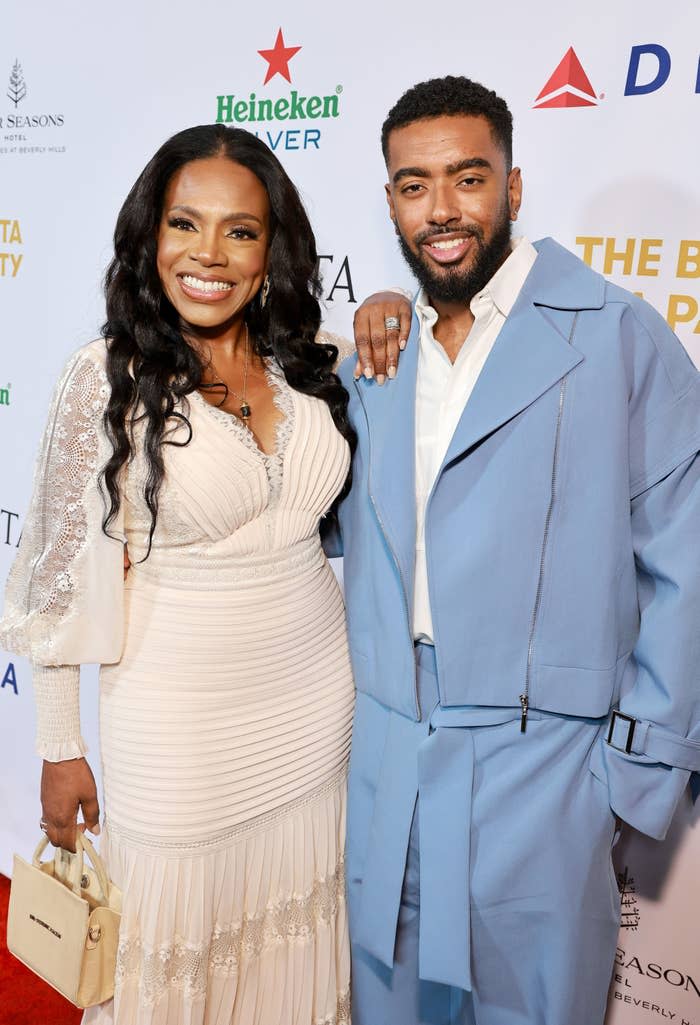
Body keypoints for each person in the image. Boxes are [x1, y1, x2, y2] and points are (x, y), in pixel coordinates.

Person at [0, 123, 409, 1025]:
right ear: (151, 236)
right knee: (174, 937)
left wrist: (390, 303)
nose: (209, 255)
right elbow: (62, 577)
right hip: (177, 718)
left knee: (300, 918)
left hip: (314, 703)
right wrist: (59, 746)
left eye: (240, 230)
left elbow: (418, 389)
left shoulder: (310, 363)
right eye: (186, 224)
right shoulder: (105, 374)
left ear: (273, 251)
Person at [331, 76, 700, 1025]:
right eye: (414, 186)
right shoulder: (376, 354)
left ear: (514, 185)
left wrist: (627, 778)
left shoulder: (620, 334)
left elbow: (684, 563)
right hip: (386, 766)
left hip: (541, 780)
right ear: (389, 203)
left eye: (468, 178)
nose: (442, 209)